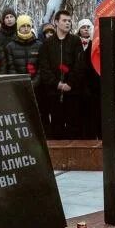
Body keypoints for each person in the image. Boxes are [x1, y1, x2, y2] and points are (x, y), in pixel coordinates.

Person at [38, 9, 87, 139]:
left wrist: (70, 83)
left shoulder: (75, 41)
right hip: (54, 93)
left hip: (72, 92)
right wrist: (57, 84)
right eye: (64, 20)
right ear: (56, 22)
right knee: (56, 126)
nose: (67, 23)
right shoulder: (47, 44)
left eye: (69, 21)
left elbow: (80, 65)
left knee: (74, 126)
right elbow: (44, 67)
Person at [3, 14, 42, 88]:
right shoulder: (10, 47)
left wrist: (34, 82)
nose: (26, 28)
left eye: (28, 26)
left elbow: (41, 67)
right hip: (18, 86)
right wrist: (20, 82)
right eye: (23, 26)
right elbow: (11, 68)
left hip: (36, 87)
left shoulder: (39, 45)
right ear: (19, 28)